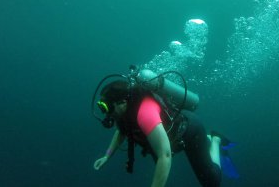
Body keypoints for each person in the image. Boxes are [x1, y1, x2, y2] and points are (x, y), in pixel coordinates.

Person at [93, 79, 236, 187]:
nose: (108, 115)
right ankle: (209, 138)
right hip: (170, 137)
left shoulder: (145, 114)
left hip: (190, 132)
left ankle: (215, 139)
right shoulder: (124, 112)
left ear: (122, 102)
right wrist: (107, 155)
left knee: (212, 182)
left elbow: (165, 156)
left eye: (108, 109)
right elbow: (122, 131)